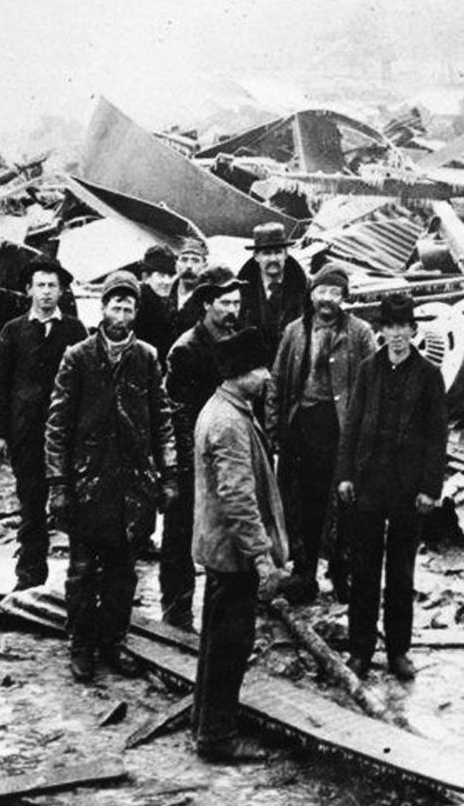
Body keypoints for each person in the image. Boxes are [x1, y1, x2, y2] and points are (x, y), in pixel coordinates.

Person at [45, 270, 177, 682]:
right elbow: (57, 425)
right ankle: (82, 644)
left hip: (133, 485)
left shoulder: (147, 357)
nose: (122, 312)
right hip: (89, 482)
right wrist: (59, 484)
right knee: (83, 571)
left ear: (136, 311)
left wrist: (169, 474)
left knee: (123, 572)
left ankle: (113, 642)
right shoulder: (78, 356)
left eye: (129, 305)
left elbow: (162, 419)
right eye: (115, 304)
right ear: (102, 309)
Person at [337, 294, 447, 682]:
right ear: (381, 331)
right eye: (390, 327)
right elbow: (351, 425)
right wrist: (345, 475)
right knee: (364, 571)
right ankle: (361, 651)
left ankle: (398, 651)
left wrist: (430, 489)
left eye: (404, 328)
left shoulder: (429, 375)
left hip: (407, 490)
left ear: (414, 331)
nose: (397, 335)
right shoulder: (369, 370)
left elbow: (437, 438)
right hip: (369, 484)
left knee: (401, 575)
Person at [192, 327, 287, 763]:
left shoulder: (226, 408)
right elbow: (239, 498)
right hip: (232, 556)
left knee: (215, 642)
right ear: (240, 373)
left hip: (219, 550)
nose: (268, 376)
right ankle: (218, 738)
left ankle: (207, 723)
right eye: (260, 368)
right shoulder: (229, 422)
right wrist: (262, 558)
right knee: (231, 645)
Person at [266, 263, 376, 605]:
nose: (327, 299)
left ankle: (343, 572)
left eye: (335, 293)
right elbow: (277, 381)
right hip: (302, 425)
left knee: (346, 502)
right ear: (312, 293)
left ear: (344, 298)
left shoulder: (359, 333)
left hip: (342, 428)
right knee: (303, 503)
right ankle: (305, 572)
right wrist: (274, 426)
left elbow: (374, 385)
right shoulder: (295, 331)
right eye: (322, 292)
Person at [0, 258, 88, 590]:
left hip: (67, 435)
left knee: (71, 505)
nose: (47, 292)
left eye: (53, 286)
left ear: (62, 291)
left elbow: (88, 382)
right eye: (41, 285)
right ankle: (30, 579)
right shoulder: (13, 331)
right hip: (26, 434)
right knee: (31, 507)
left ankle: (79, 578)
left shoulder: (74, 330)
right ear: (29, 290)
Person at [160, 266, 245, 631]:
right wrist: (182, 466)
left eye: (237, 302)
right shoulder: (186, 349)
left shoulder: (236, 340)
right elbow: (175, 415)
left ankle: (218, 615)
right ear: (207, 303)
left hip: (224, 455)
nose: (232, 310)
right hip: (191, 456)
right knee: (180, 536)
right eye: (225, 302)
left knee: (221, 534)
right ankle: (177, 611)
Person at [237, 222, 308, 358]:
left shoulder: (305, 288)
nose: (273, 258)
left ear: (286, 254)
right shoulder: (239, 291)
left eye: (278, 252)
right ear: (256, 256)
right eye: (267, 253)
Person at [133, 244, 180, 367]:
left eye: (170, 276)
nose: (167, 281)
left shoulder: (165, 301)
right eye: (161, 275)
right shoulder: (141, 303)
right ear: (146, 277)